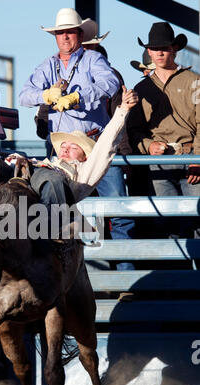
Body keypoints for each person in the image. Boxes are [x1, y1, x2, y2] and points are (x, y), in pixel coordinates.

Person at [0, 88, 138, 234]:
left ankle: (48, 234)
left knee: (53, 180)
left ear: (86, 157)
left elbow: (106, 145)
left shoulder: (83, 174)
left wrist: (122, 111)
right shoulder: (46, 161)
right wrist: (17, 160)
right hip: (28, 174)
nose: (66, 148)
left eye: (74, 147)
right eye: (64, 145)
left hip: (52, 182)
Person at [127, 21, 200, 241]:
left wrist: (198, 158)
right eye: (155, 48)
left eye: (165, 47)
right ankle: (175, 275)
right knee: (166, 224)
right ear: (148, 51)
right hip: (159, 162)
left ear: (174, 49)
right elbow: (134, 130)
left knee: (197, 222)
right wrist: (149, 145)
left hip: (191, 158)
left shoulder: (195, 82)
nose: (159, 52)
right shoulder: (141, 88)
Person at [81, 22, 135, 271]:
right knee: (84, 217)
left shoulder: (110, 74)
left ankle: (122, 279)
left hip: (101, 151)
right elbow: (43, 116)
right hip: (80, 151)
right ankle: (96, 281)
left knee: (117, 214)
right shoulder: (62, 73)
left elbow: (118, 113)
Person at [19, 8, 119, 139]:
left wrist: (78, 97)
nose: (64, 37)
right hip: (60, 145)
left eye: (70, 32)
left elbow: (111, 83)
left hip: (92, 141)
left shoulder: (93, 58)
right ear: (56, 37)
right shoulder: (47, 65)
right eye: (60, 33)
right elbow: (23, 97)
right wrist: (45, 95)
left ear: (81, 35)